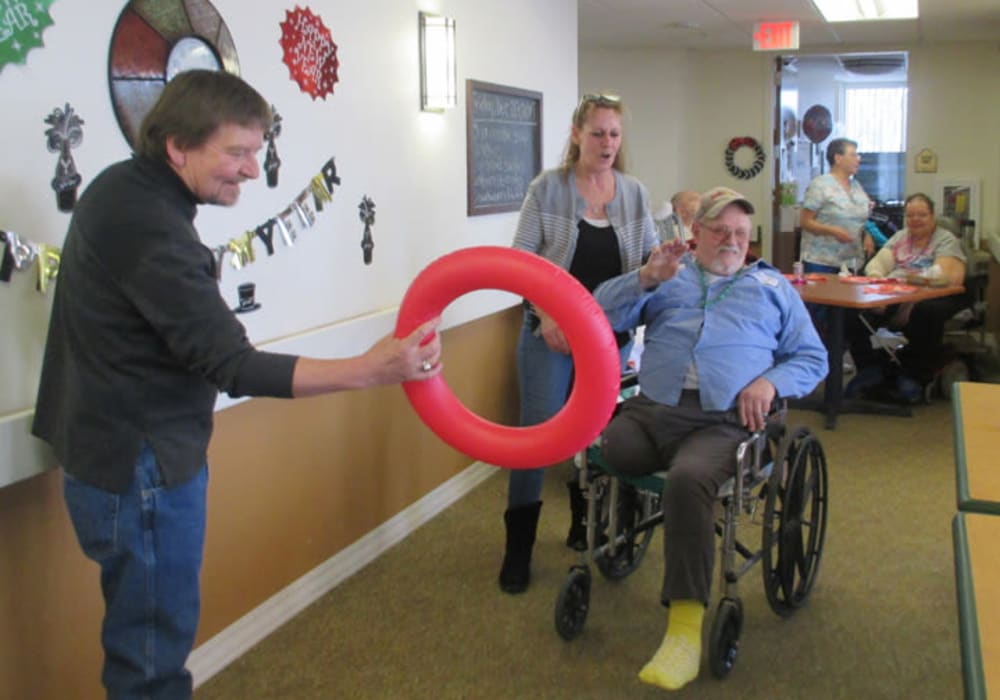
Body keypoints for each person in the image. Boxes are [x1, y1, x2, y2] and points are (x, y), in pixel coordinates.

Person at [31, 70, 442, 700]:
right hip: (139, 470)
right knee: (150, 662)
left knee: (144, 642)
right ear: (177, 146)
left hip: (112, 455)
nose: (252, 171)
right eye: (237, 152)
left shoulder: (124, 192)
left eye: (255, 151)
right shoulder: (147, 222)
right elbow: (233, 364)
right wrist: (374, 368)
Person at [592, 186, 828, 691]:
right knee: (608, 449)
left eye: (741, 233)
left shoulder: (772, 287)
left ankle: (683, 631)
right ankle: (651, 514)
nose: (731, 240)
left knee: (689, 480)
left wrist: (770, 383)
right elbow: (596, 317)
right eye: (720, 230)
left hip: (726, 421)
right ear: (695, 232)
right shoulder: (668, 278)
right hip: (655, 408)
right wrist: (643, 279)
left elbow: (814, 358)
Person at [501, 93, 658, 594]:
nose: (607, 143)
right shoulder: (547, 190)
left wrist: (665, 267)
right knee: (537, 440)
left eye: (614, 134)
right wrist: (545, 313)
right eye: (597, 133)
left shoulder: (632, 193)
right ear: (576, 135)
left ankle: (580, 523)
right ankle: (517, 550)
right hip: (548, 336)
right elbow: (520, 261)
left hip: (607, 340)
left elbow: (648, 262)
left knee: (593, 435)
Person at [845, 192, 967, 402]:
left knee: (925, 313)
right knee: (850, 312)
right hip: (894, 292)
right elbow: (879, 263)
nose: (915, 220)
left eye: (922, 215)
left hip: (928, 295)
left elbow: (945, 274)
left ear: (932, 216)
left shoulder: (945, 240)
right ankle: (870, 368)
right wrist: (876, 279)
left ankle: (913, 374)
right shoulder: (901, 237)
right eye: (910, 215)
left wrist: (908, 290)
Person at [799, 137, 875, 275]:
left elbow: (860, 218)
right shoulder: (820, 185)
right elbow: (805, 222)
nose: (858, 159)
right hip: (821, 261)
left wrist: (866, 234)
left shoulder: (856, 186)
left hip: (852, 261)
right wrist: (833, 231)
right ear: (838, 158)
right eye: (853, 155)